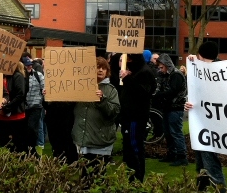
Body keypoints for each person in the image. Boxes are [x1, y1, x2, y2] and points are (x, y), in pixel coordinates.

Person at [184, 42, 227, 192]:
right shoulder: (201, 69)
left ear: (201, 56)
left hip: (212, 128)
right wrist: (189, 104)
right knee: (202, 165)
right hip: (201, 125)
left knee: (211, 166)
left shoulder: (220, 73)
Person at [72, 56, 120, 165]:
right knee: (83, 173)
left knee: (98, 174)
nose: (100, 70)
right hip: (82, 138)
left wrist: (102, 100)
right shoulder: (81, 86)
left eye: (104, 68)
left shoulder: (111, 90)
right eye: (97, 67)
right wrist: (51, 95)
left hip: (100, 140)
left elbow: (114, 112)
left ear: (107, 71)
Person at [119, 53, 157, 181]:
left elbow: (143, 92)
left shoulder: (144, 72)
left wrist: (128, 79)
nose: (126, 61)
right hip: (130, 116)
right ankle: (132, 177)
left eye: (128, 58)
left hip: (135, 117)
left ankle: (137, 178)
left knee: (134, 147)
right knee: (129, 148)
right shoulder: (137, 71)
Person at [154, 54, 188, 166]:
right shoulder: (168, 75)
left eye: (161, 67)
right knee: (169, 132)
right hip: (168, 107)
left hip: (176, 107)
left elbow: (173, 91)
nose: (160, 69)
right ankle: (172, 154)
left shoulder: (176, 75)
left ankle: (181, 156)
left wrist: (159, 95)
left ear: (166, 65)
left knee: (175, 132)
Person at [0, 61, 28, 152]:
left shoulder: (17, 76)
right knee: (3, 143)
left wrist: (6, 108)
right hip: (2, 118)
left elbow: (20, 95)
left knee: (18, 144)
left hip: (16, 117)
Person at [23, 57, 46, 152]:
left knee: (33, 129)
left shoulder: (38, 75)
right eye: (27, 65)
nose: (29, 67)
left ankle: (32, 149)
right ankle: (27, 149)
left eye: (30, 65)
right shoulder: (20, 76)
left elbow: (44, 87)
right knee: (25, 130)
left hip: (36, 106)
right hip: (24, 107)